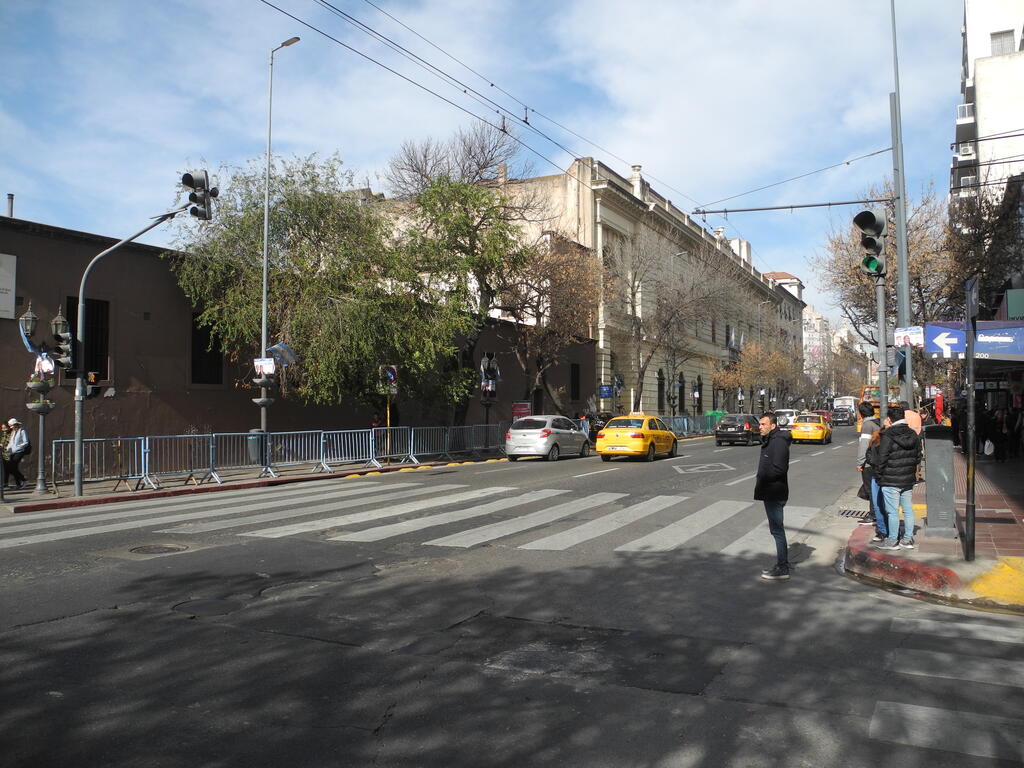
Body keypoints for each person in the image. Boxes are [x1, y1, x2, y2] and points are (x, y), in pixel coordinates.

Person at [874, 405, 922, 550]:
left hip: (890, 479)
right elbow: (918, 457)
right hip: (907, 479)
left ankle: (892, 540)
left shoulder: (888, 434)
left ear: (889, 419)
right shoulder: (913, 434)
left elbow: (882, 458)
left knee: (892, 511)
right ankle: (907, 539)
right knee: (907, 510)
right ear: (904, 417)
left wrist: (879, 475)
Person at [755, 412, 792, 580]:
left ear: (773, 425)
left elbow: (779, 469)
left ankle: (782, 567)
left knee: (777, 530)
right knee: (776, 530)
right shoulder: (772, 440)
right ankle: (782, 563)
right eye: (760, 424)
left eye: (763, 424)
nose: (760, 427)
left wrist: (763, 478)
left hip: (774, 491)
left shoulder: (778, 442)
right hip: (771, 490)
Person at [856, 401, 885, 531]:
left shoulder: (867, 425)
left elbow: (864, 445)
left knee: (870, 489)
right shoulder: (878, 422)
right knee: (874, 489)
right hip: (878, 460)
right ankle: (875, 513)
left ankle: (873, 515)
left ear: (861, 413)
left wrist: (860, 462)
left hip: (869, 462)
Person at [5, 418, 30, 490]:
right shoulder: (13, 432)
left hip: (19, 451)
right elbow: (11, 443)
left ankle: (24, 480)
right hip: (12, 452)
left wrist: (17, 447)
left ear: (15, 425)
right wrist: (7, 449)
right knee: (12, 468)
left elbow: (26, 442)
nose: (10, 427)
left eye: (11, 426)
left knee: (12, 466)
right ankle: (19, 483)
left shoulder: (22, 431)